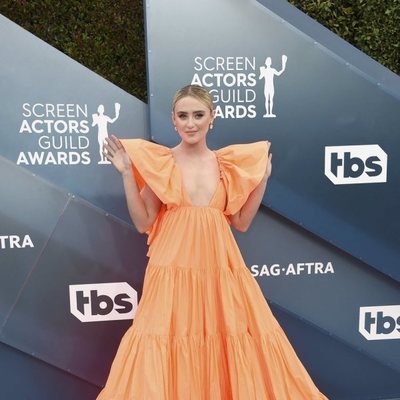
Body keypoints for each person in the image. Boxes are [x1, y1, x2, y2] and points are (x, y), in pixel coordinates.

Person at [96, 84, 328, 399]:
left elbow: (242, 222)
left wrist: (261, 181)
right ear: (173, 121)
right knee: (164, 340)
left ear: (212, 118)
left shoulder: (227, 165)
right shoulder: (162, 163)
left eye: (198, 115)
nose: (191, 123)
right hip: (172, 274)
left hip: (220, 272)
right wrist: (126, 174)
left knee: (228, 342)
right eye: (183, 115)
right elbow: (143, 222)